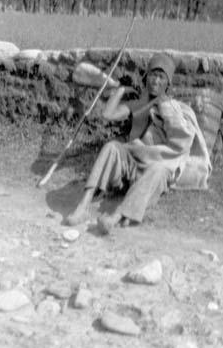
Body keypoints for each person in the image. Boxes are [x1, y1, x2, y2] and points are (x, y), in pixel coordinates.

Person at [65, 52, 212, 233]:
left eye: (160, 77)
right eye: (152, 75)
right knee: (112, 147)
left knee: (158, 170)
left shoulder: (177, 108)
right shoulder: (139, 105)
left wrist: (165, 108)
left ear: (168, 83)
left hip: (156, 166)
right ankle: (83, 206)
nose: (155, 81)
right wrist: (120, 91)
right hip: (133, 162)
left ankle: (117, 216)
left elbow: (181, 141)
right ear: (146, 77)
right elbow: (107, 115)